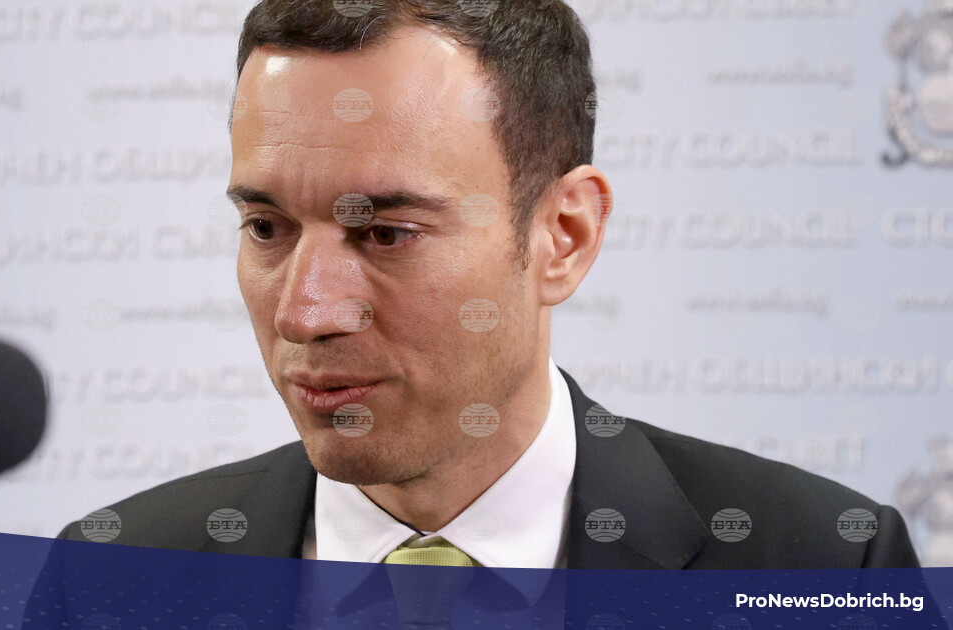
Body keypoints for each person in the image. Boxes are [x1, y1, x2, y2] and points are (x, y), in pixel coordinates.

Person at [52, 0, 921, 573]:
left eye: (385, 233)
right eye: (267, 228)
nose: (305, 311)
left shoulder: (823, 566)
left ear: (564, 236)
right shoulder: (111, 578)